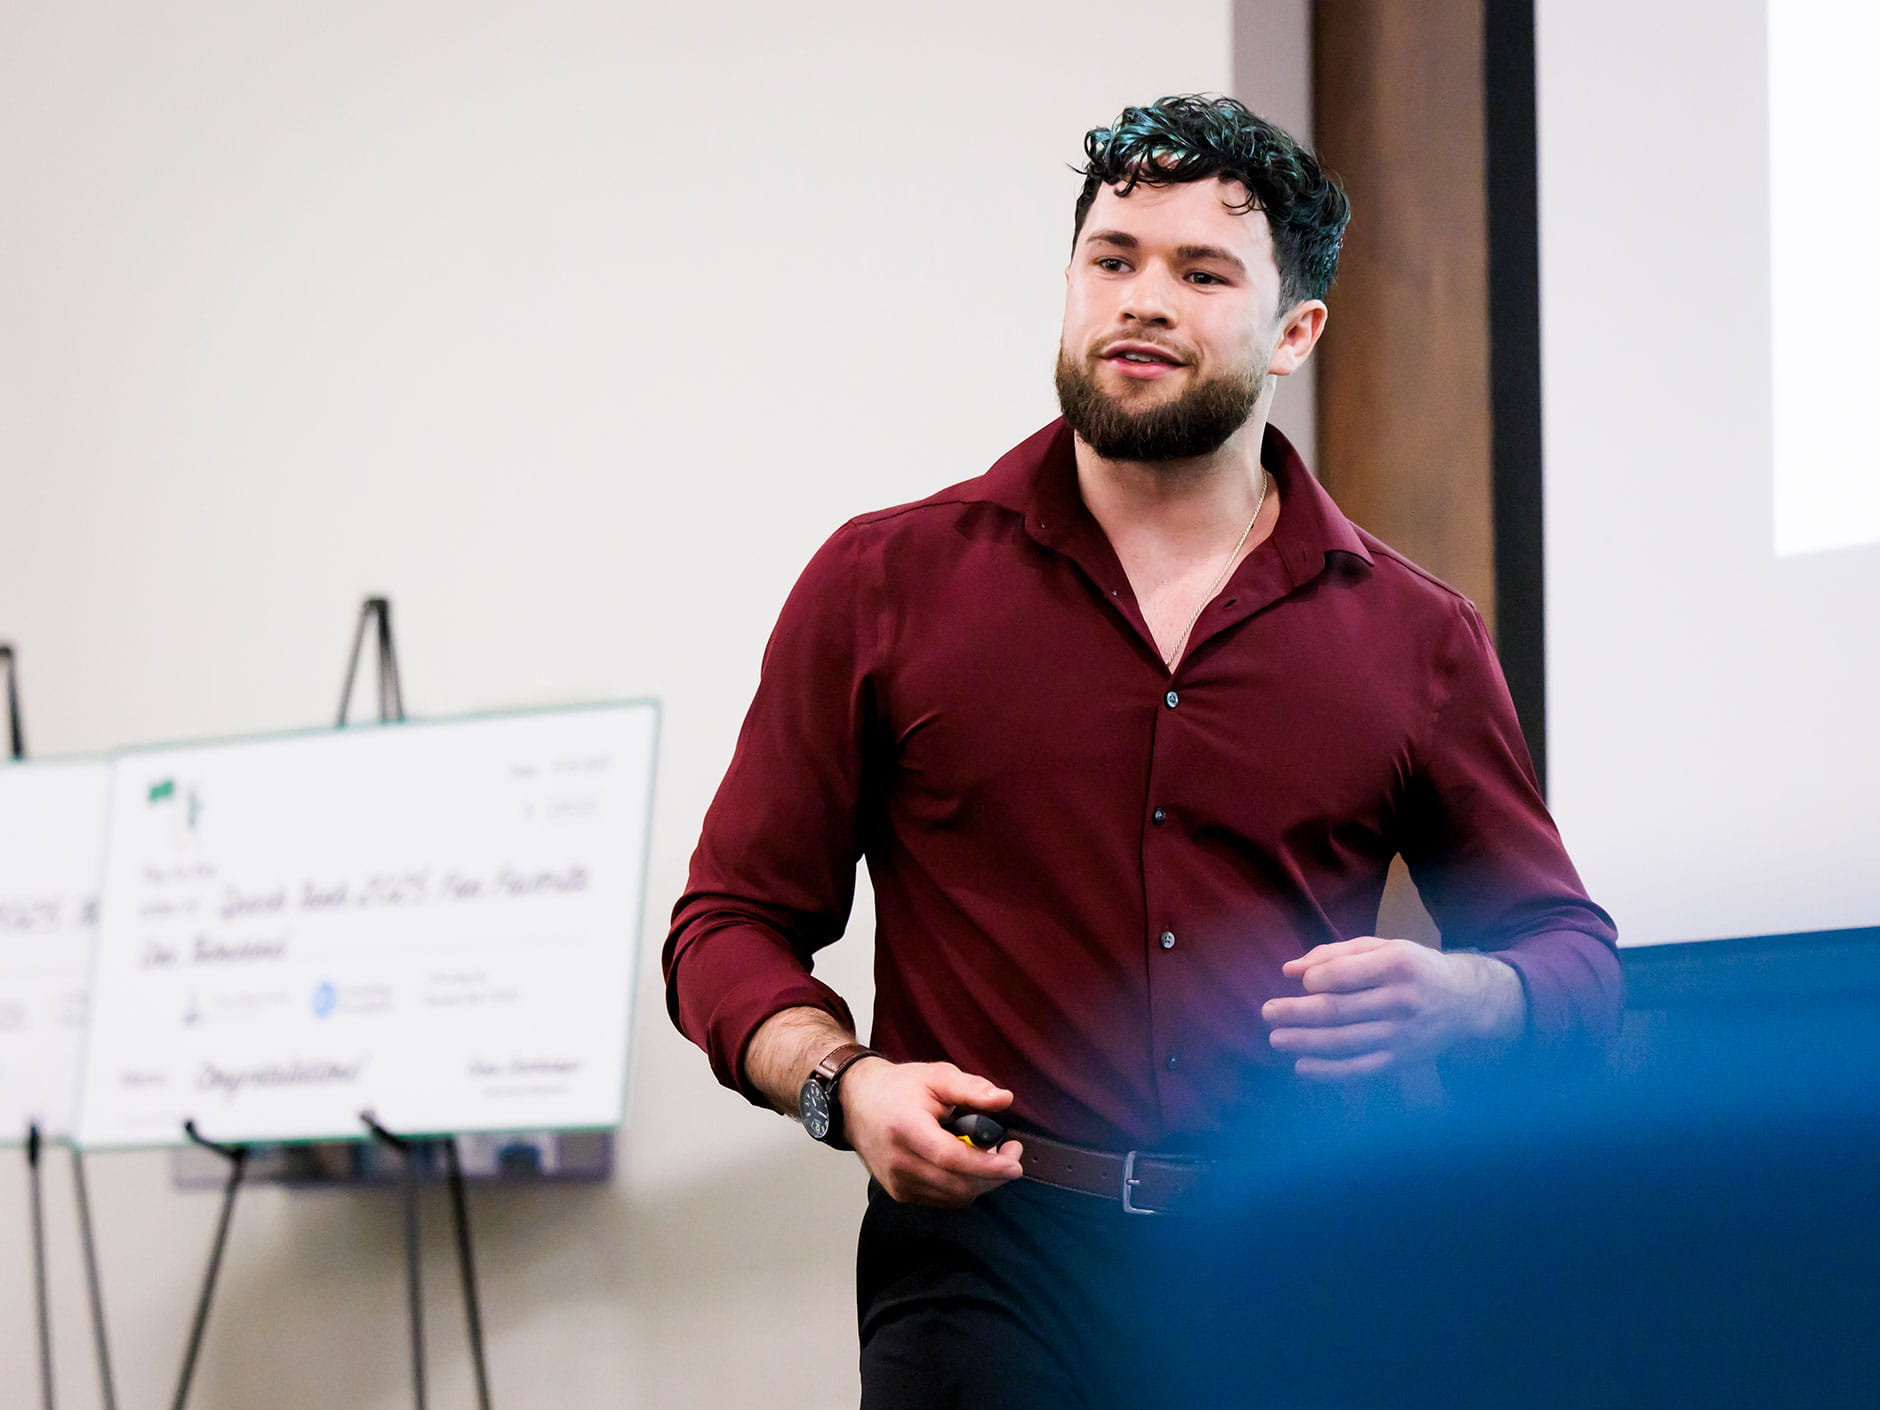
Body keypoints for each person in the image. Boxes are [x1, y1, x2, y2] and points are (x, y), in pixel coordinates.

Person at [664, 94, 1620, 1408]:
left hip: (1300, 1264)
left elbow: (1573, 959)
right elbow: (725, 926)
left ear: (1295, 333)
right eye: (1112, 259)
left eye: (1202, 273)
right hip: (986, 1265)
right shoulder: (883, 583)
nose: (1144, 300)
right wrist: (844, 1084)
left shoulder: (1415, 636)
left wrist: (1468, 998)